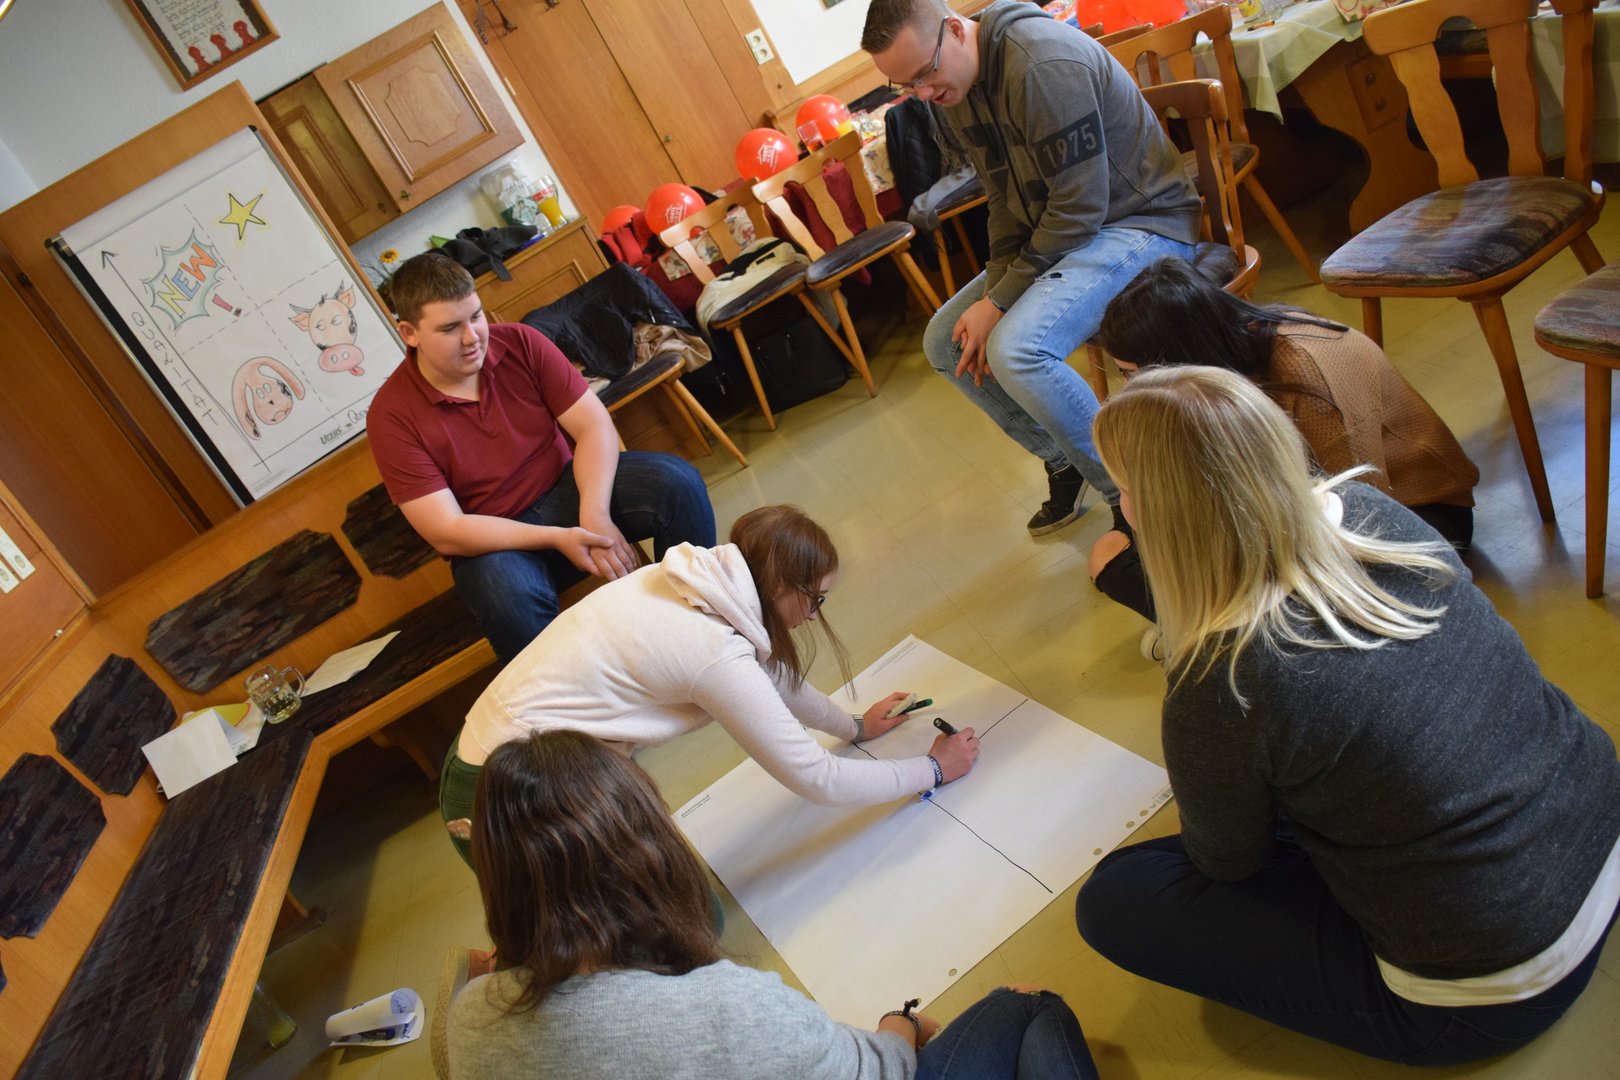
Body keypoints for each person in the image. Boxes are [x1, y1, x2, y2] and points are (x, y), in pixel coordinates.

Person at [1072, 366, 1620, 1066]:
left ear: (1162, 512)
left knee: (1118, 894)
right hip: (1600, 824)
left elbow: (1228, 862)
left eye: (1124, 489)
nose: (1121, 504)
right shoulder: (1367, 507)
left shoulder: (1222, 674)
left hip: (1498, 986)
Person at [449, 728, 1104, 1079]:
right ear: (645, 851)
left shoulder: (471, 1019)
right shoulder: (728, 1007)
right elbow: (879, 1072)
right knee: (1027, 1006)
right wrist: (899, 1024)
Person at [438, 505, 980, 863]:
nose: (816, 615)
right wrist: (933, 769)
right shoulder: (712, 651)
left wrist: (855, 726)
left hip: (489, 751)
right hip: (501, 792)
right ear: (782, 587)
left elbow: (767, 674)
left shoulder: (706, 579)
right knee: (682, 930)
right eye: (815, 598)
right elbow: (818, 779)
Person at [862, 0, 1202, 535]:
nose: (922, 94)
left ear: (955, 30)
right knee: (944, 341)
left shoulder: (1041, 64)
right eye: (906, 87)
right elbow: (1004, 202)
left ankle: (1135, 497)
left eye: (925, 73)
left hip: (1145, 224)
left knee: (1016, 350)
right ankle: (1065, 458)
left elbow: (1079, 209)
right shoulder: (957, 88)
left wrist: (998, 303)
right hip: (1076, 234)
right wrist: (992, 293)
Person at [366, 251, 716, 666]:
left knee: (677, 482)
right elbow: (447, 530)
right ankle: (581, 701)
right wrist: (556, 537)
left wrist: (594, 513)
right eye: (450, 328)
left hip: (565, 488)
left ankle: (705, 631)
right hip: (495, 538)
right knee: (504, 598)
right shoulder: (390, 415)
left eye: (476, 316)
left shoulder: (520, 342)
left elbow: (593, 426)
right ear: (409, 333)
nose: (472, 337)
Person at [1087, 255, 1479, 623]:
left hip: (1417, 523)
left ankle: (1230, 636)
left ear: (1176, 355)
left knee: (1119, 564)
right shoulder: (1238, 350)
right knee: (1145, 552)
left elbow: (1361, 511)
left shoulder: (1305, 373)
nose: (1132, 387)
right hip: (1323, 518)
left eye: (1133, 373)